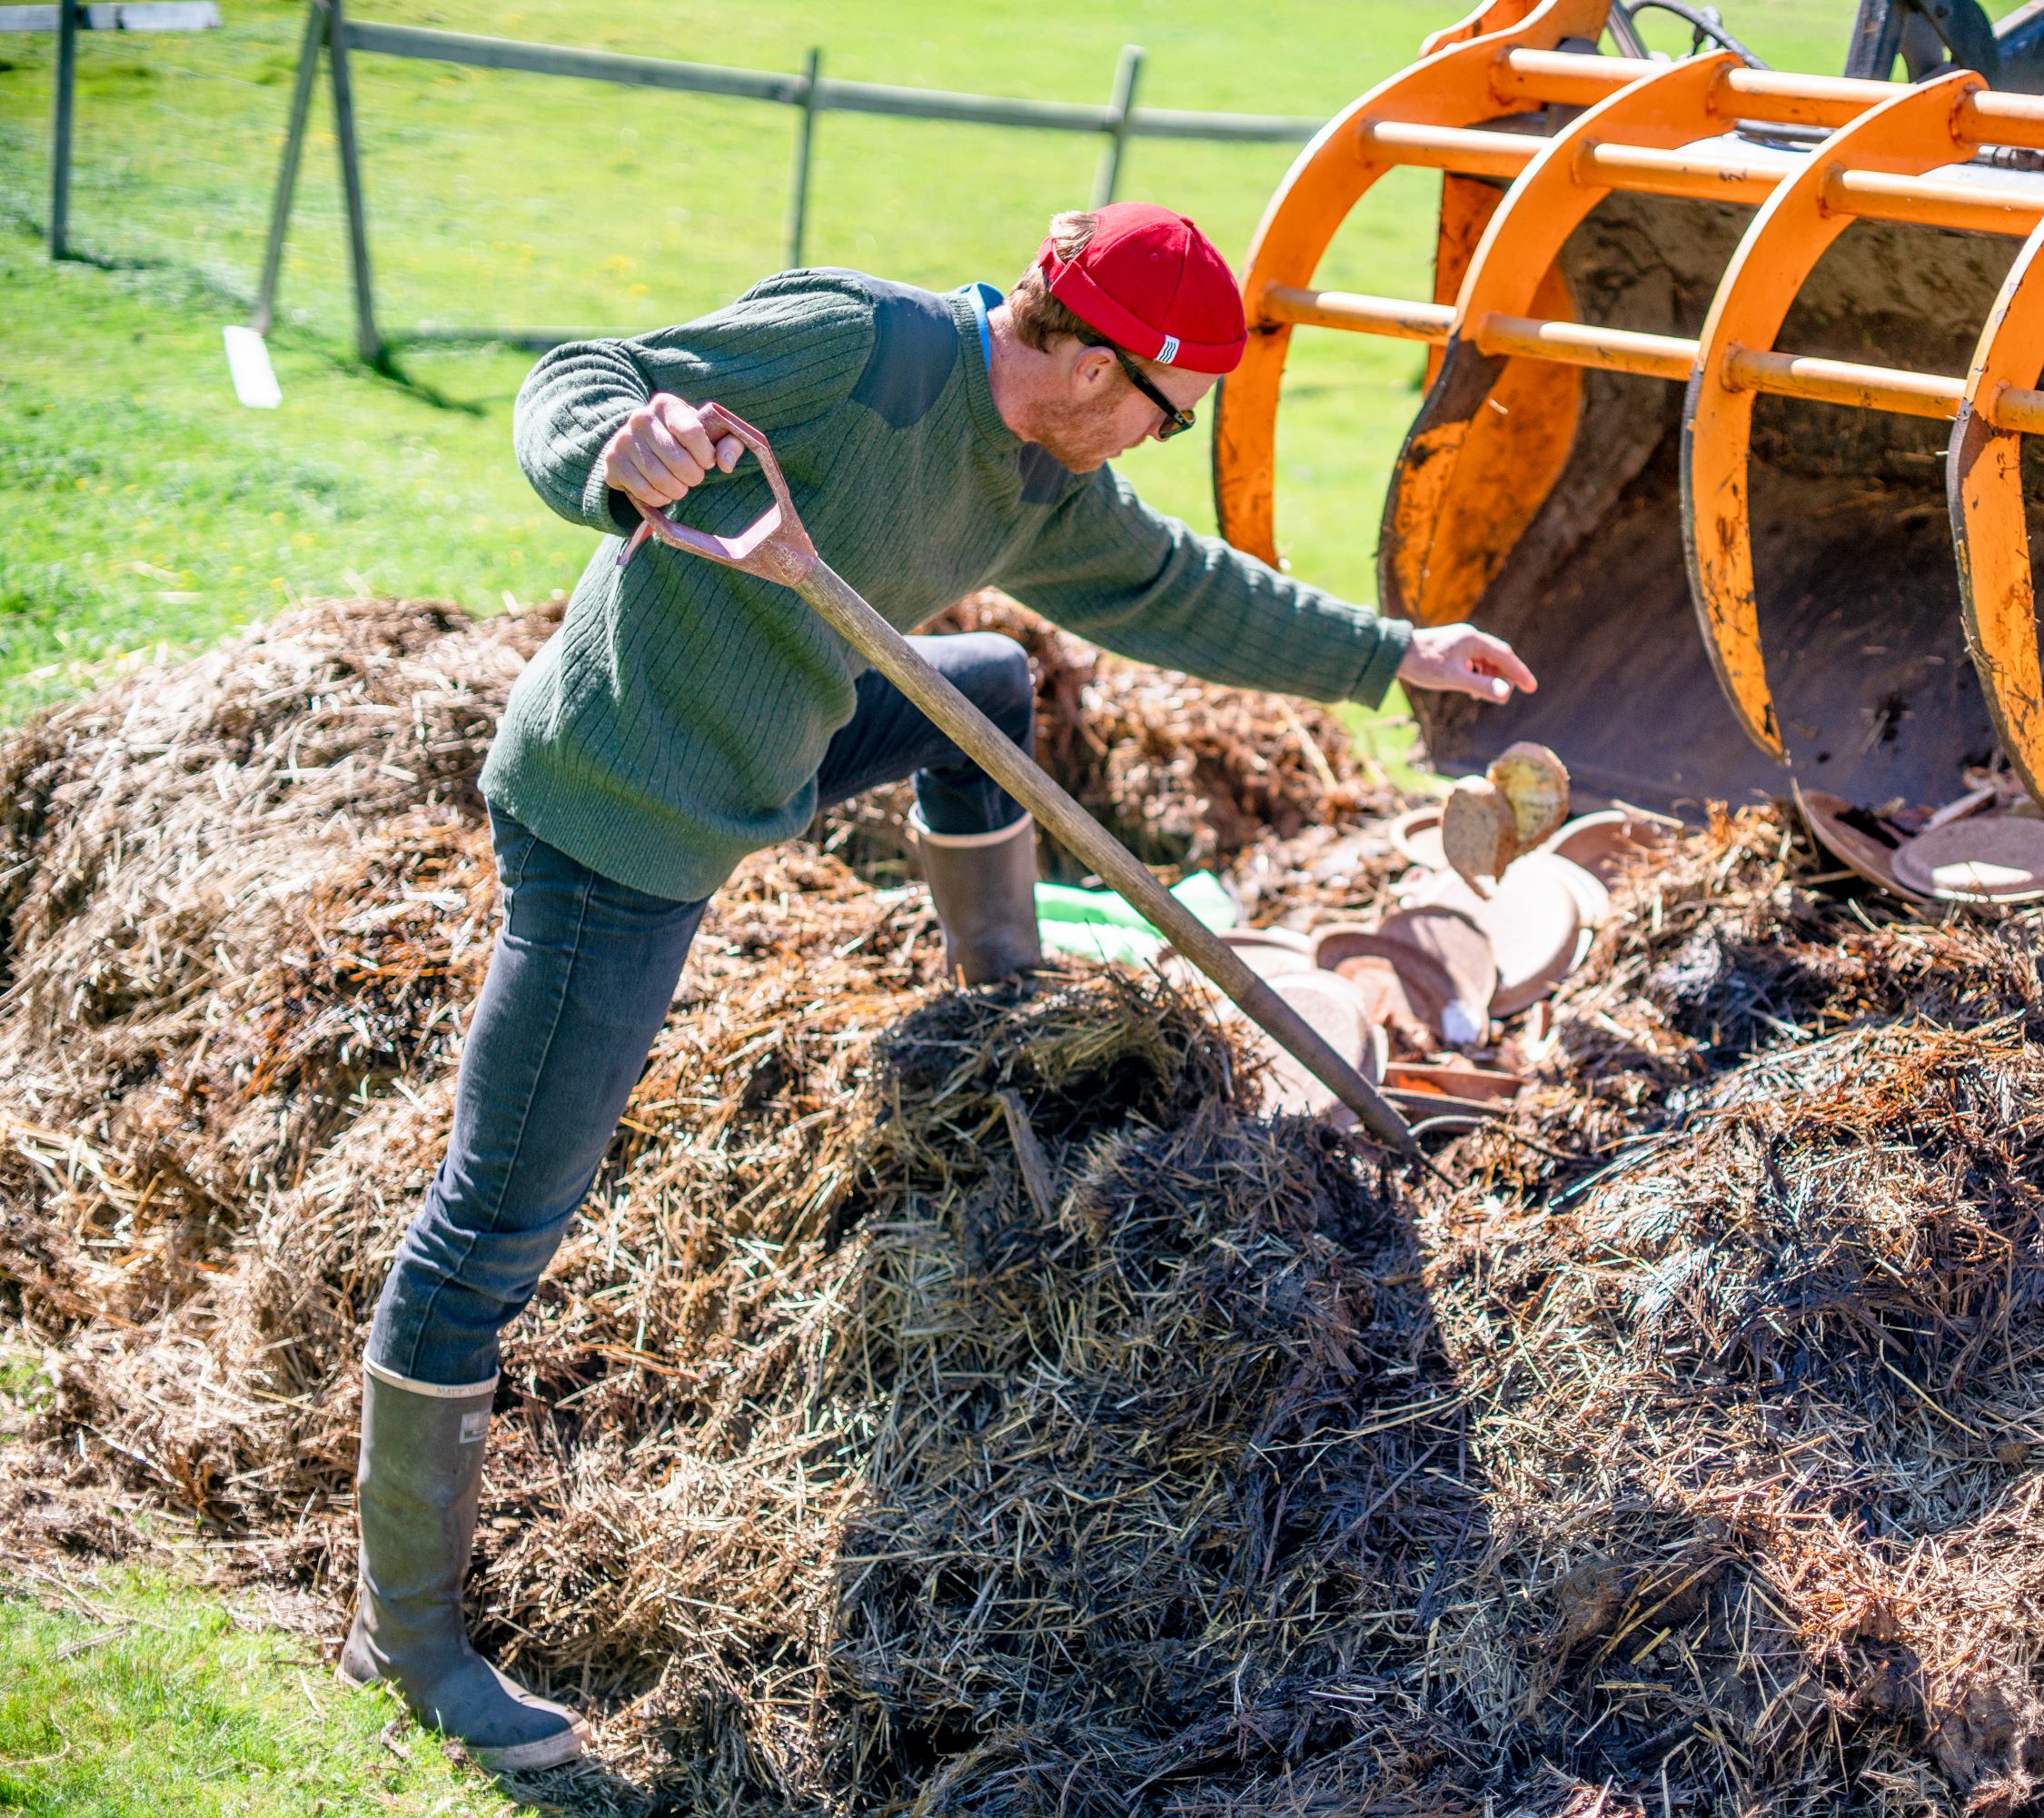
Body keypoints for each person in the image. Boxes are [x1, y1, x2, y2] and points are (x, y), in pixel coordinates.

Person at [337, 204, 1536, 1768]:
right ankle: (405, 1637)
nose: (1158, 445)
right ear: (1096, 364)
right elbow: (583, 373)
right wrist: (615, 447)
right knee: (494, 1224)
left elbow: (1177, 588)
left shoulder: (1038, 473)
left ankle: (995, 1014)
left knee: (981, 690)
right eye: (1168, 415)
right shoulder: (866, 351)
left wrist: (1393, 655)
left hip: (770, 737)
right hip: (620, 818)